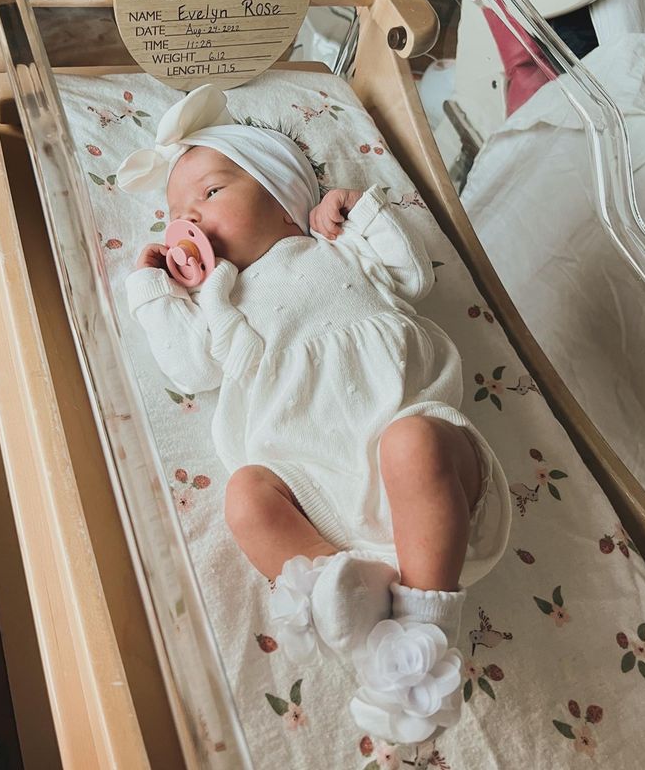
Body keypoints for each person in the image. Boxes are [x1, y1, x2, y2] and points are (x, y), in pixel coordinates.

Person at [118, 83, 511, 745]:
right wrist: (154, 288)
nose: (191, 222)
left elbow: (414, 276)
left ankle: (424, 631)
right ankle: (351, 609)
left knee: (411, 442)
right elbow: (188, 369)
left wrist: (357, 212)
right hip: (317, 498)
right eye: (176, 215)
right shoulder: (220, 306)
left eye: (210, 193)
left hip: (424, 471)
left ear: (282, 194)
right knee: (245, 497)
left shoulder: (336, 250)